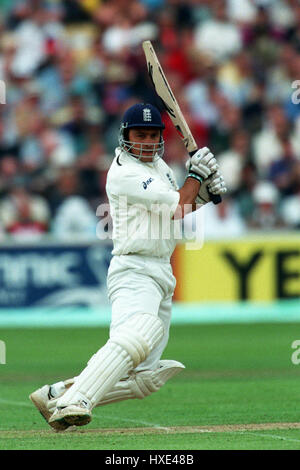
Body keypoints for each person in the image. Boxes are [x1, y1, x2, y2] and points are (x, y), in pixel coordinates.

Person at [29, 103, 227, 431]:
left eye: (153, 135)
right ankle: (74, 402)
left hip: (161, 271)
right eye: (140, 135)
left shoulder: (159, 167)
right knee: (139, 332)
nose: (147, 141)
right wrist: (196, 176)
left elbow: (178, 207)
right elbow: (178, 207)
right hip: (134, 269)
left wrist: (203, 194)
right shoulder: (125, 172)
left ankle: (55, 394)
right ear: (125, 136)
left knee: (144, 378)